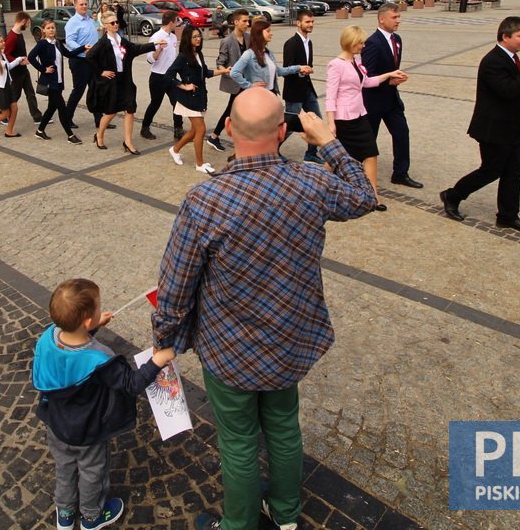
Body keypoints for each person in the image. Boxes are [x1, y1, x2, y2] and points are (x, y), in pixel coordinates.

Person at [152, 89, 377, 530]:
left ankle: (240, 524)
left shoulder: (205, 201)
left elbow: (175, 286)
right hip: (290, 340)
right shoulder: (312, 182)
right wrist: (327, 140)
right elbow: (363, 195)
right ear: (282, 132)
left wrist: (165, 341)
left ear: (230, 129)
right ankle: (287, 514)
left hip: (228, 349)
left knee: (237, 441)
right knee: (283, 429)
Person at [33, 278, 175, 530]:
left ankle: (64, 513)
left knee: (64, 467)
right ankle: (92, 516)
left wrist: (91, 329)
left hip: (56, 423)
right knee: (92, 471)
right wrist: (157, 361)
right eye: (97, 308)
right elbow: (130, 383)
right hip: (87, 430)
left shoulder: (48, 338)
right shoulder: (98, 359)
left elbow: (70, 353)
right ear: (86, 320)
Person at [440, 16, 520, 233]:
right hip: (494, 128)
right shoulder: (493, 61)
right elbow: (509, 90)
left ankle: (507, 216)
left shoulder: (512, 57)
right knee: (491, 170)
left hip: (512, 128)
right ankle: (453, 195)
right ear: (505, 36)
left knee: (513, 171)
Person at [328, 25, 408, 211]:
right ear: (350, 42)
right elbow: (330, 96)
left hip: (360, 113)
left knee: (370, 154)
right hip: (344, 118)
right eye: (360, 42)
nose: (363, 46)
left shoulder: (356, 60)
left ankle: (373, 197)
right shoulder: (336, 65)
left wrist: (389, 75)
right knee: (337, 158)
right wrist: (331, 122)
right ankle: (318, 185)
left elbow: (367, 82)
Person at [361, 4, 423, 189]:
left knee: (402, 132)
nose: (398, 20)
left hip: (392, 99)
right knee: (369, 139)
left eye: (398, 17)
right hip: (373, 100)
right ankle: (357, 173)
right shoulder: (372, 42)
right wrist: (388, 80)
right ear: (382, 19)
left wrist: (396, 79)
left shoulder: (397, 39)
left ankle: (400, 173)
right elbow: (367, 75)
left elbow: (392, 67)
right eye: (394, 17)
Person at [85, 11, 162, 154]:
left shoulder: (122, 40)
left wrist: (154, 44)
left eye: (116, 22)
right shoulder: (103, 43)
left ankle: (128, 142)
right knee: (110, 112)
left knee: (130, 109)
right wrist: (101, 71)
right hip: (112, 82)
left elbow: (136, 48)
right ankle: (99, 134)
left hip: (125, 80)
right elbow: (89, 57)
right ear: (105, 25)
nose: (116, 25)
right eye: (112, 23)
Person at [166, 26, 226, 175]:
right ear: (188, 39)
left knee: (194, 131)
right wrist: (183, 86)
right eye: (194, 37)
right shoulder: (183, 57)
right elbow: (169, 75)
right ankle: (199, 164)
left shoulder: (198, 53)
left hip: (199, 97)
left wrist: (223, 71)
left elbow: (205, 73)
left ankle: (175, 149)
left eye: (199, 36)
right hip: (188, 99)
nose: (198, 39)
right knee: (201, 129)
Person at [29, 18, 82, 144]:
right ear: (43, 30)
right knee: (62, 108)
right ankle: (70, 135)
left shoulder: (57, 43)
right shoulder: (42, 44)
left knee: (51, 108)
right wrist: (43, 69)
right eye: (48, 28)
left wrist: (83, 48)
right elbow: (31, 57)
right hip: (50, 82)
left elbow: (69, 54)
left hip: (58, 82)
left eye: (52, 27)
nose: (51, 30)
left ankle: (40, 131)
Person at [281, 9, 324, 165]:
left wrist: (308, 69)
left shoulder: (309, 42)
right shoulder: (291, 43)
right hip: (294, 91)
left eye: (312, 21)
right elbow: (286, 70)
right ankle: (272, 150)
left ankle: (311, 153)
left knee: (317, 120)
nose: (311, 24)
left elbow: (308, 64)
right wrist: (301, 71)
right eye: (307, 22)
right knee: (290, 125)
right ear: (298, 23)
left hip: (307, 88)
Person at [205, 9, 250, 152]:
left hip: (247, 81)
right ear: (236, 22)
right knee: (231, 111)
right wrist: (224, 69)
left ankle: (217, 136)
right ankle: (215, 136)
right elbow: (220, 60)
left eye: (248, 21)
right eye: (244, 21)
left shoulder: (249, 38)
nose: (247, 24)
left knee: (237, 111)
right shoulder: (227, 41)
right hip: (235, 82)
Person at [229, 19, 310, 96]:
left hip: (271, 93)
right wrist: (249, 85)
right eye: (268, 31)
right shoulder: (249, 54)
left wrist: (299, 68)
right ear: (259, 33)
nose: (271, 33)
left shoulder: (269, 53)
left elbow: (278, 71)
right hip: (257, 96)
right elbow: (234, 73)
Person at [139, 11, 184, 141]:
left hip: (171, 77)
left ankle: (178, 130)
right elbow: (150, 60)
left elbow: (174, 59)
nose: (178, 24)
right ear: (171, 22)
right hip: (158, 77)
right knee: (155, 103)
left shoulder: (173, 37)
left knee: (177, 103)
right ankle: (145, 128)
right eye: (177, 21)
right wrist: (158, 49)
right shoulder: (156, 37)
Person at [64, 0, 98, 127]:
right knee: (78, 90)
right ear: (75, 6)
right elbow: (69, 41)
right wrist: (82, 48)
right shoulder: (73, 22)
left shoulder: (89, 19)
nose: (84, 6)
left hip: (92, 60)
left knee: (95, 89)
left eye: (85, 4)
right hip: (79, 61)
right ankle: (67, 118)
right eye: (81, 4)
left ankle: (99, 119)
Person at [4, 12, 42, 123]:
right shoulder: (12, 37)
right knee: (15, 95)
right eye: (28, 23)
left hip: (23, 70)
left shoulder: (18, 34)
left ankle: (37, 116)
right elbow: (6, 54)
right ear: (23, 21)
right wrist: (19, 62)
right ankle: (4, 114)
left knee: (30, 93)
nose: (28, 25)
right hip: (16, 72)